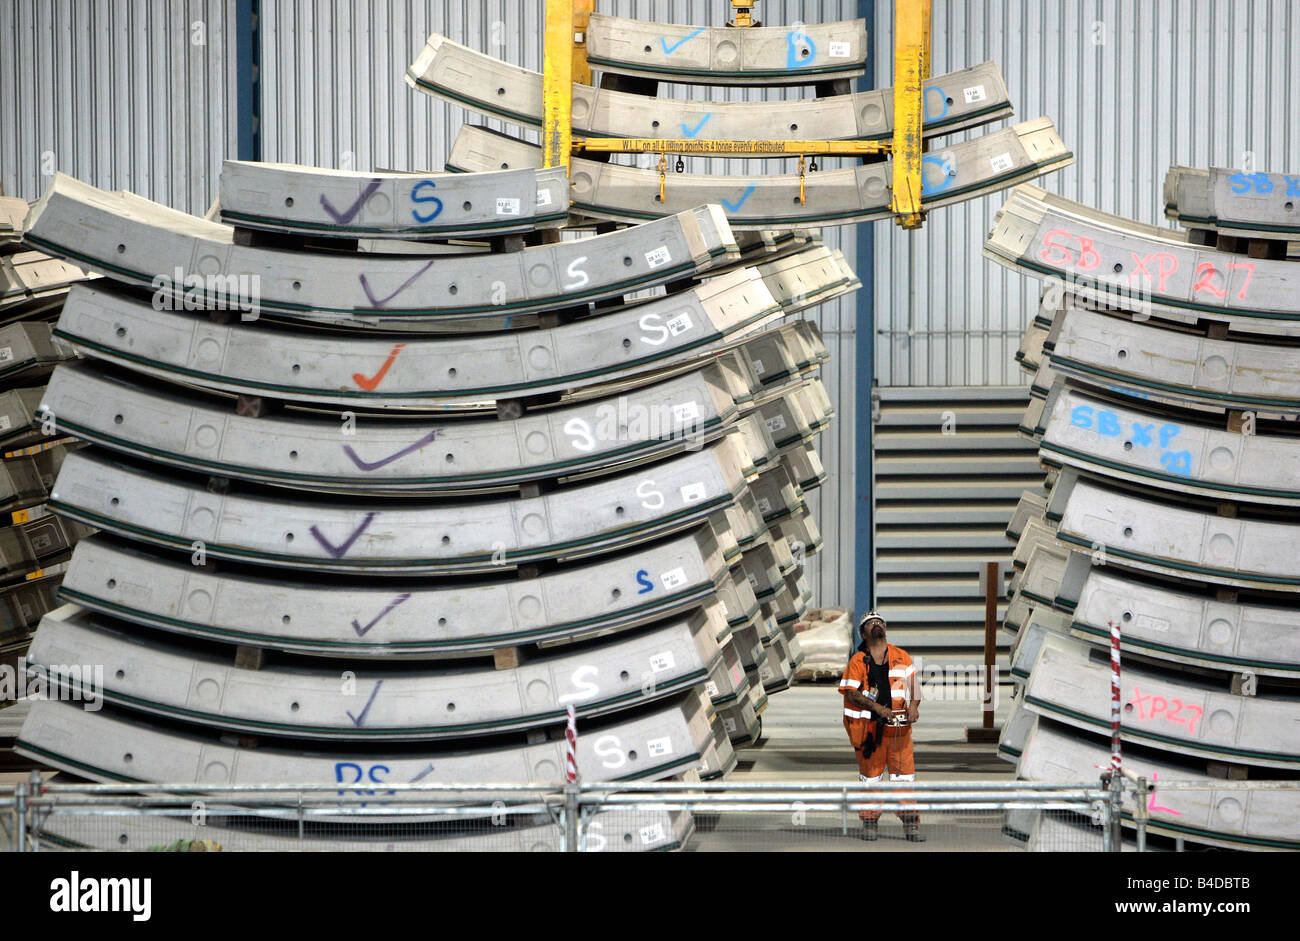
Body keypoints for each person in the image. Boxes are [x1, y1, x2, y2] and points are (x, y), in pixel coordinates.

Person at [838, 610, 922, 842]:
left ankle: (910, 823)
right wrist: (876, 709)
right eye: (871, 623)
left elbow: (915, 685)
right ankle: (870, 821)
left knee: (904, 777)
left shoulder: (901, 656)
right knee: (871, 778)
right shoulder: (857, 661)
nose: (877, 625)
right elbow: (852, 693)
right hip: (870, 732)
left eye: (880, 622)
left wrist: (913, 707)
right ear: (863, 634)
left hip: (898, 730)